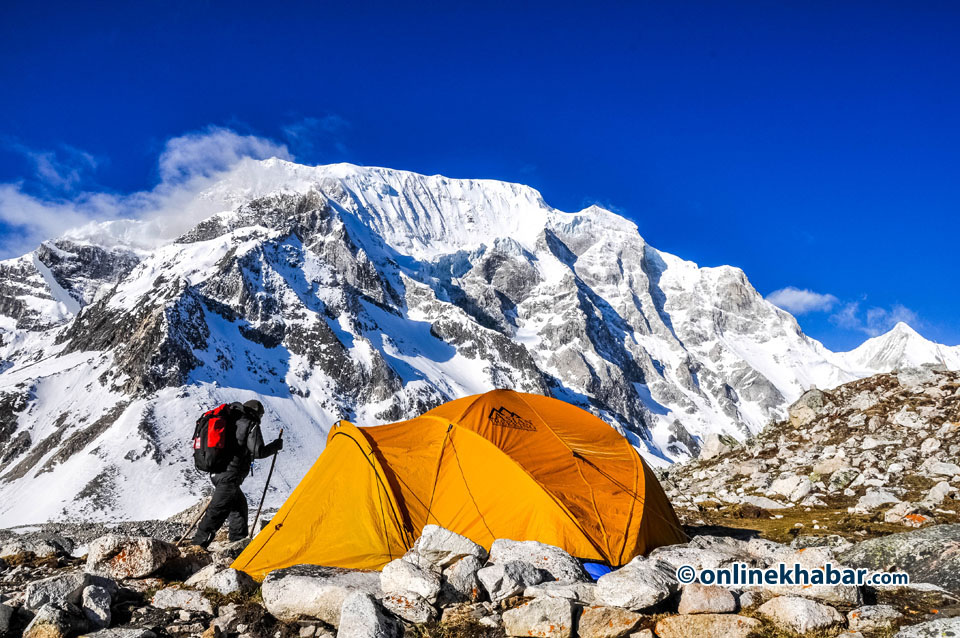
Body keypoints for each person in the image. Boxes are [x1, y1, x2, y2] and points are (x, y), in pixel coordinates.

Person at [192, 399, 283, 548]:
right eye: (261, 415)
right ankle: (198, 545)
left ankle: (239, 543)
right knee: (217, 510)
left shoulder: (230, 419)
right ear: (256, 413)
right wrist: (275, 446)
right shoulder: (250, 423)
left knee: (239, 507)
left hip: (218, 472)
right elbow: (258, 451)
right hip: (230, 475)